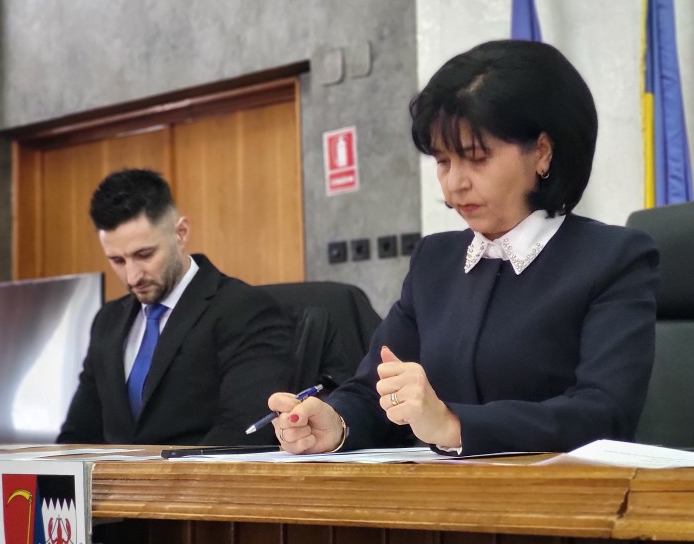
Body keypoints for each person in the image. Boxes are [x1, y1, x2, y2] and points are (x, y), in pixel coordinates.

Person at [268, 40, 659, 455]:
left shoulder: (612, 258)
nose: (455, 183)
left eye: (476, 158)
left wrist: (453, 425)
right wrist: (335, 423)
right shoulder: (434, 262)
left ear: (542, 153)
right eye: (443, 161)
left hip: (560, 492)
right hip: (442, 493)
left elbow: (603, 413)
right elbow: (375, 392)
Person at [57, 169, 295, 445]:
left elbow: (246, 430)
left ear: (180, 233)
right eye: (117, 260)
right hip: (113, 474)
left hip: (201, 472)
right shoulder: (108, 320)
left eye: (144, 254)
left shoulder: (244, 309)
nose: (132, 277)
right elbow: (77, 433)